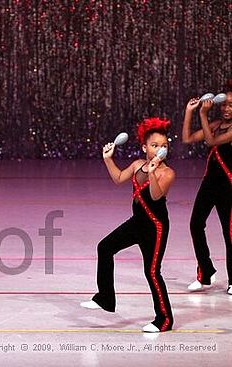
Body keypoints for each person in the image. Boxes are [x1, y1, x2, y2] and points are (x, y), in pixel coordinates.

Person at [81, 117, 175, 333]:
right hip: (137, 223)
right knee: (104, 247)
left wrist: (152, 172)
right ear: (145, 147)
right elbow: (118, 178)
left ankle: (164, 320)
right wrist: (108, 159)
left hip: (155, 227)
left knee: (152, 272)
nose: (160, 149)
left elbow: (156, 195)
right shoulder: (136, 165)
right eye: (154, 145)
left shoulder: (167, 173)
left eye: (164, 146)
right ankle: (105, 298)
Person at [182, 79, 232, 294]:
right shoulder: (215, 124)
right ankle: (206, 272)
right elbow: (187, 138)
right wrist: (190, 111)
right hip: (209, 183)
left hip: (228, 187)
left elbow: (212, 142)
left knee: (229, 234)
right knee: (195, 224)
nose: (227, 108)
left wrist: (203, 115)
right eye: (225, 104)